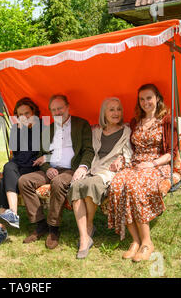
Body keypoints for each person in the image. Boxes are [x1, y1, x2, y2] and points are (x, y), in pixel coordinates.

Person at [103, 84, 181, 262]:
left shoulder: (166, 120)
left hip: (158, 164)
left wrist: (152, 163)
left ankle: (147, 242)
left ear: (157, 99)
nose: (145, 102)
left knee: (134, 185)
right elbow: (129, 148)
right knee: (117, 184)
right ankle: (135, 240)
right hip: (135, 163)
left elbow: (172, 153)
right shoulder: (135, 121)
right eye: (142, 99)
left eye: (149, 98)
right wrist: (121, 160)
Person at [18, 94, 95, 250]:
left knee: (59, 182)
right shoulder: (49, 129)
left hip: (71, 169)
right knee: (24, 181)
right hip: (51, 168)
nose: (57, 112)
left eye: (60, 108)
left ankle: (53, 228)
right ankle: (40, 224)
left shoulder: (81, 124)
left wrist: (82, 167)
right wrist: (48, 168)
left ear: (67, 107)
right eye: (54, 110)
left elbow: (89, 150)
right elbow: (41, 154)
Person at [67, 97, 133, 259]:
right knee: (76, 186)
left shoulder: (126, 131)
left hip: (109, 172)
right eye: (111, 109)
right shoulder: (96, 132)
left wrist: (122, 160)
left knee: (92, 186)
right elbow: (88, 152)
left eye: (118, 109)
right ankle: (85, 235)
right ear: (104, 113)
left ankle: (87, 229)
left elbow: (130, 154)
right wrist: (83, 167)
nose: (116, 113)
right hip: (93, 168)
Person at [0, 97, 42, 247]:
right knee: (8, 169)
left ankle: (4, 226)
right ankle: (7, 220)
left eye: (27, 113)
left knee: (6, 177)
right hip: (18, 167)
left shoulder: (44, 128)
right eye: (20, 115)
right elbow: (15, 156)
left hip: (34, 168)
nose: (24, 117)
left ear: (34, 112)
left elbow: (50, 153)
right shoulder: (16, 130)